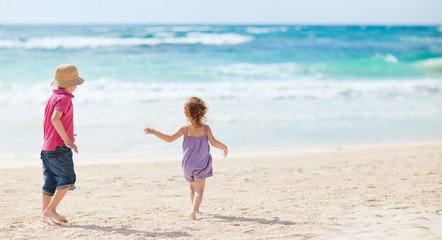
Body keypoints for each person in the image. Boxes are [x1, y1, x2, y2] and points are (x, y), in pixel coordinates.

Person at [144, 96, 228, 220]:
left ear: (186, 114)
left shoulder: (185, 129)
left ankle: (195, 208)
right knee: (200, 189)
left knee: (192, 187)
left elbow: (169, 138)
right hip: (202, 164)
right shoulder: (205, 129)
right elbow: (214, 142)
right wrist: (224, 148)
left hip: (187, 165)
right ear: (203, 113)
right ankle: (194, 210)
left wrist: (154, 131)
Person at [40, 64, 84, 225]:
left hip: (47, 147)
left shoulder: (53, 97)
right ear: (73, 84)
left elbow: (51, 122)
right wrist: (67, 140)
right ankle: (50, 210)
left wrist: (68, 134)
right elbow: (54, 119)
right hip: (59, 148)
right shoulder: (65, 99)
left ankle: (45, 216)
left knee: (50, 181)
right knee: (67, 178)